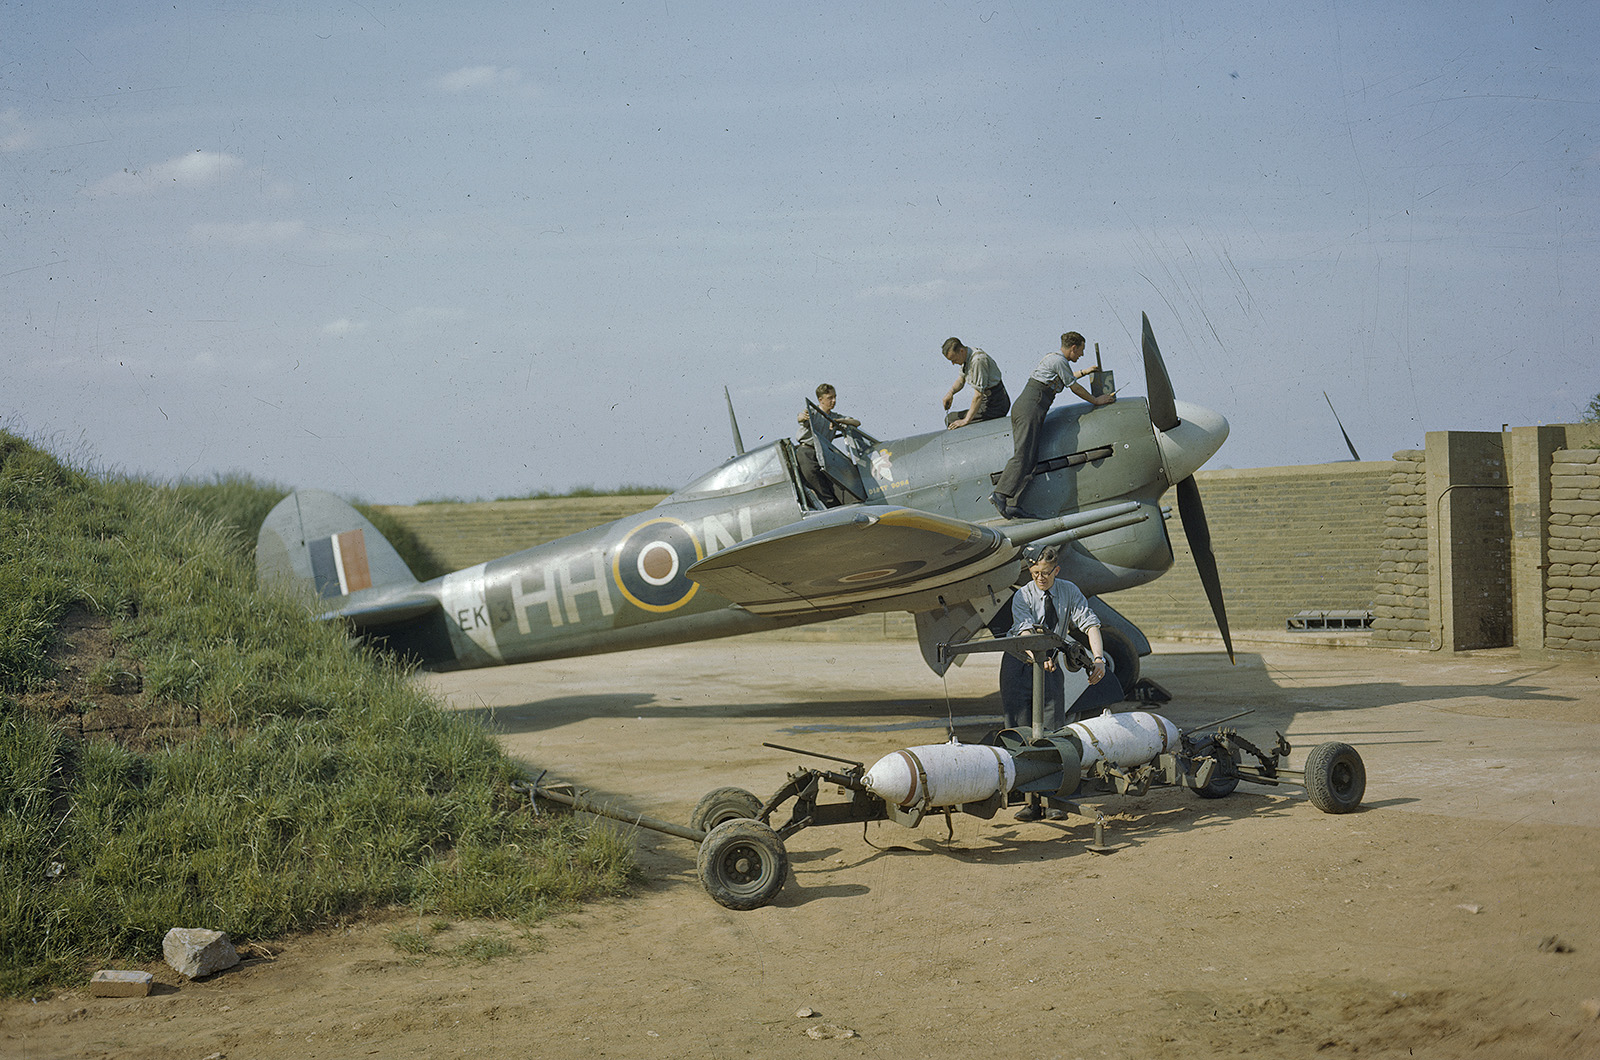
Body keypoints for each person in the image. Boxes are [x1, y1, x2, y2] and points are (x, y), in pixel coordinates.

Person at [1004, 545, 1109, 821]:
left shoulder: (1069, 592)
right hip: (1020, 662)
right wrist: (1038, 656)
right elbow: (1025, 633)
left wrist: (1098, 658)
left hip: (1049, 663)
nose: (1040, 578)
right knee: (1021, 731)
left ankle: (1054, 800)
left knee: (1052, 730)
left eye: (1046, 573)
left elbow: (1090, 623)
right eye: (1035, 573)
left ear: (1057, 570)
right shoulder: (1022, 596)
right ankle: (1030, 802)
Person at [990, 331, 1114, 519]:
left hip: (1033, 407)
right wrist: (1096, 400)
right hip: (1031, 407)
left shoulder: (1056, 360)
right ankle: (999, 494)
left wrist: (1086, 372)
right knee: (1023, 454)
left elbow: (1066, 377)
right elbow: (1073, 386)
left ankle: (1013, 504)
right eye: (1081, 350)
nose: (1081, 355)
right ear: (1073, 348)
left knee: (1031, 459)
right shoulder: (1058, 361)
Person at [796, 383, 860, 509]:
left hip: (824, 453)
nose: (834, 401)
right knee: (815, 481)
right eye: (830, 398)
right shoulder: (812, 413)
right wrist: (801, 417)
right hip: (807, 452)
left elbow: (856, 422)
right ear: (821, 400)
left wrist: (839, 421)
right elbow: (801, 417)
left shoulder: (834, 417)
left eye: (835, 397)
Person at [940, 338, 1010, 428]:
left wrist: (966, 420)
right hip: (987, 402)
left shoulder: (977, 360)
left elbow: (978, 395)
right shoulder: (967, 356)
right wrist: (950, 393)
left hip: (995, 404)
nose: (953, 363)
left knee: (951, 420)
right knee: (951, 417)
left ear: (961, 351)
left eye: (954, 359)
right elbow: (961, 380)